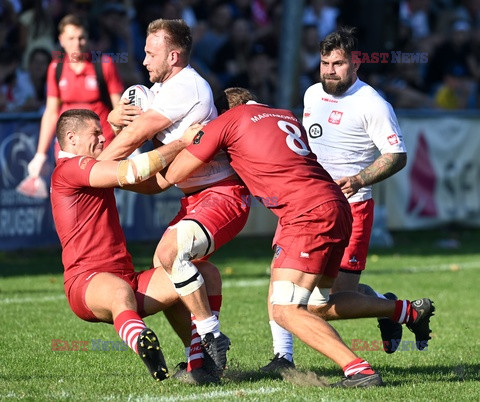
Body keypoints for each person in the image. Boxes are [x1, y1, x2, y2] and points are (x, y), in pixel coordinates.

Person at [164, 87, 435, 387]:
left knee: (285, 309)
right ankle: (406, 311)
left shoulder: (230, 120)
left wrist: (183, 141)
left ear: (225, 110)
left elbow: (175, 174)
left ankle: (359, 370)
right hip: (336, 203)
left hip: (305, 214)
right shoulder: (285, 115)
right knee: (319, 303)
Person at [99, 18, 250, 380]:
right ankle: (201, 361)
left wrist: (96, 168)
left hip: (222, 194)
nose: (145, 60)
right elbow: (157, 174)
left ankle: (211, 335)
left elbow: (140, 133)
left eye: (152, 54)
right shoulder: (156, 91)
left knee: (170, 254)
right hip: (194, 197)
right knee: (176, 271)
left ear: (174, 56)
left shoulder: (188, 86)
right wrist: (112, 118)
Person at [261, 26, 412, 371]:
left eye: (338, 63)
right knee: (280, 277)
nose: (330, 70)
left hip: (352, 209)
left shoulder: (372, 104)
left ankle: (389, 308)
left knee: (323, 303)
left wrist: (359, 178)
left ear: (356, 63)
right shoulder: (313, 93)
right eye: (325, 62)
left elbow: (397, 154)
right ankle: (282, 358)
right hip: (305, 206)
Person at [50, 108, 222, 383]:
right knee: (120, 293)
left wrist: (199, 162)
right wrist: (181, 142)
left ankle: (199, 363)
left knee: (201, 273)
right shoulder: (71, 169)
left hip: (128, 280)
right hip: (86, 284)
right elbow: (133, 171)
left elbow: (156, 183)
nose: (102, 139)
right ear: (71, 138)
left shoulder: (92, 169)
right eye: (95, 133)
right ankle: (142, 340)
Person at [19, 14, 124, 197]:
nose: (77, 43)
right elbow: (51, 113)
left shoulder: (104, 65)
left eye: (81, 37)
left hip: (101, 145)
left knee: (101, 198)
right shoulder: (56, 68)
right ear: (61, 40)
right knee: (69, 198)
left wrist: (129, 143)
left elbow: (119, 110)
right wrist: (40, 154)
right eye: (71, 38)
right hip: (68, 147)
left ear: (88, 38)